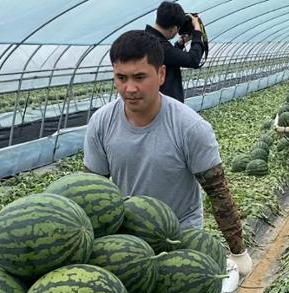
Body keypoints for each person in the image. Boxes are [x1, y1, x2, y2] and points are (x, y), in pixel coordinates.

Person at [83, 30, 253, 276]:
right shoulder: (101, 123)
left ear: (161, 74)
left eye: (140, 77)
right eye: (121, 77)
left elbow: (218, 192)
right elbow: (90, 192)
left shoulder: (190, 127)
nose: (130, 88)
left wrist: (238, 251)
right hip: (127, 244)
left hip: (180, 238)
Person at [144, 1, 204, 103]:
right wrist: (198, 32)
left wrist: (179, 44)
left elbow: (171, 58)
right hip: (163, 106)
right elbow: (193, 59)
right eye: (178, 30)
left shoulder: (148, 39)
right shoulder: (159, 45)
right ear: (174, 28)